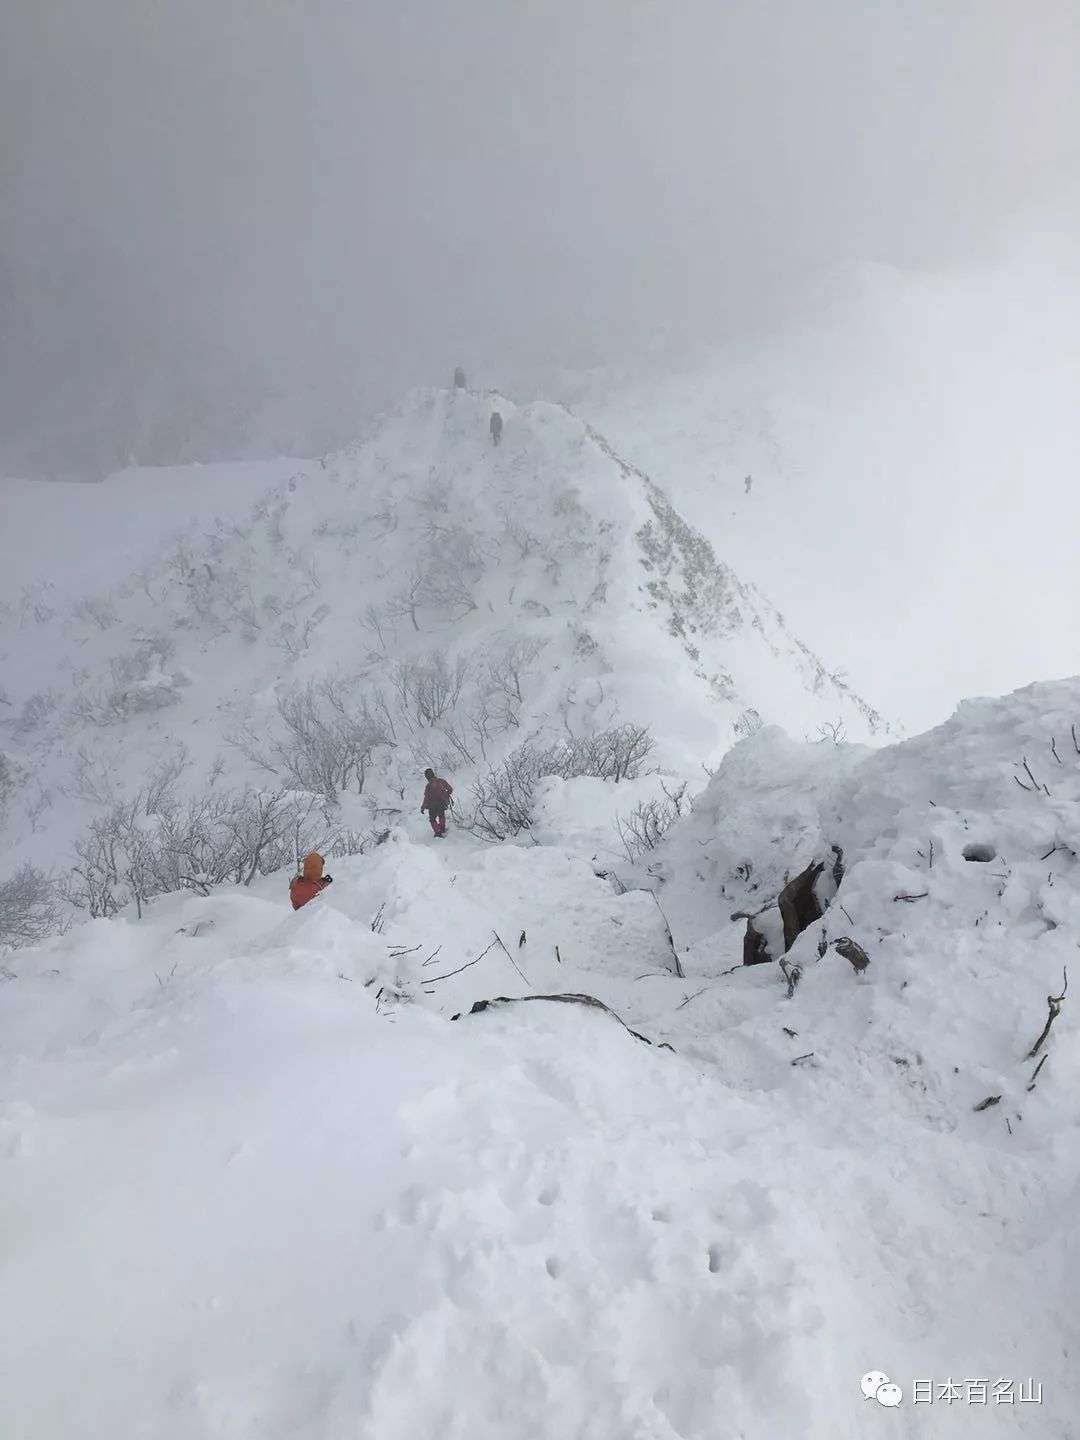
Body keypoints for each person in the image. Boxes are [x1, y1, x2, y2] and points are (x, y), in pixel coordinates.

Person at [420, 767, 453, 838]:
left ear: (427, 777)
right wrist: (446, 793)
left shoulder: (428, 786)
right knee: (441, 816)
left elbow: (426, 798)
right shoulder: (441, 781)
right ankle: (442, 828)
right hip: (442, 802)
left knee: (432, 819)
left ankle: (438, 832)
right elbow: (450, 789)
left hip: (432, 805)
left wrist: (423, 807)